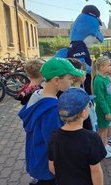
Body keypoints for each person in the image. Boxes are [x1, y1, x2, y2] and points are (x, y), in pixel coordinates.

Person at [18, 57, 85, 185]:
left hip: (37, 157)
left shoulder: (37, 94)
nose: (72, 81)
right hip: (48, 166)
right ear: (56, 80)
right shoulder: (52, 109)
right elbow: (54, 142)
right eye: (70, 78)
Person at [48, 88, 106, 185]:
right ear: (83, 113)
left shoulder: (54, 136)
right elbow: (96, 171)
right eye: (89, 106)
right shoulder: (91, 138)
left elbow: (51, 167)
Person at [92, 56, 111, 158]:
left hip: (109, 107)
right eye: (109, 65)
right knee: (102, 129)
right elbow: (100, 99)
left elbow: (110, 93)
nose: (110, 67)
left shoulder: (106, 78)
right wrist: (106, 112)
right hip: (103, 110)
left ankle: (105, 144)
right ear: (102, 67)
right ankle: (102, 149)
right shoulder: (98, 80)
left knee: (105, 128)